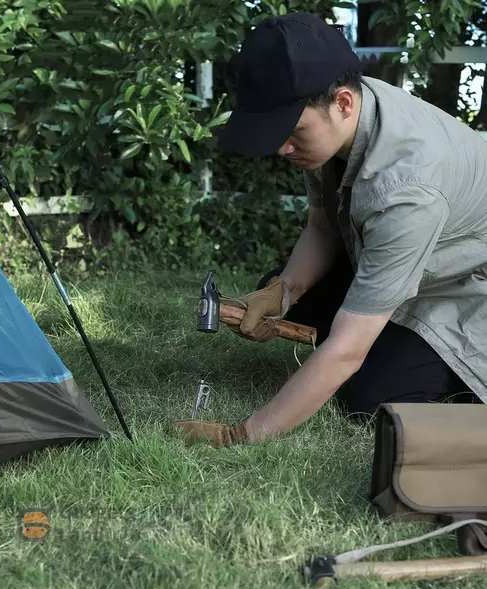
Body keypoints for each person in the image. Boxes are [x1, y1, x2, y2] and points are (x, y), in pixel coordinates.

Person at [174, 12, 487, 448]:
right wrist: (283, 291)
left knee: (372, 398)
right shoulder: (336, 120)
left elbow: (347, 350)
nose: (281, 148)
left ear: (342, 103)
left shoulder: (407, 188)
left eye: (292, 132)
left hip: (463, 289)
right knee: (285, 296)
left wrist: (242, 435)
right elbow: (322, 229)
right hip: (411, 263)